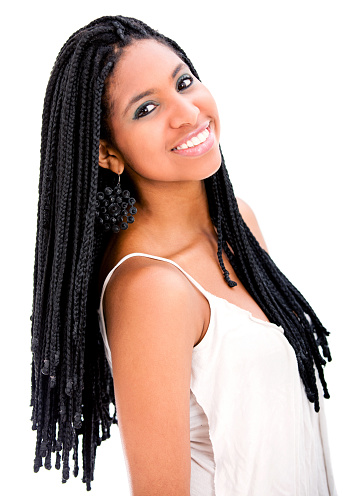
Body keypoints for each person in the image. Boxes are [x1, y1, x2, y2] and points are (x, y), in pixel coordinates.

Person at [30, 15, 336, 495]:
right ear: (107, 152)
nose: (188, 113)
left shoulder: (238, 222)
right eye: (147, 108)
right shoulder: (151, 289)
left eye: (184, 82)